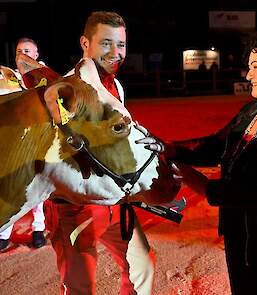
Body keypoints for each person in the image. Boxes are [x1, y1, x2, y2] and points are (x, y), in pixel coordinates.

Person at [137, 29, 257, 295]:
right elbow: (215, 145)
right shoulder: (252, 110)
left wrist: (207, 188)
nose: (248, 75)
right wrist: (171, 148)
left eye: (256, 67)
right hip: (240, 234)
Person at [44, 11, 155, 295]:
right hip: (74, 207)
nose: (116, 53)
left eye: (121, 44)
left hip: (114, 201)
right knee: (81, 288)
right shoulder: (68, 91)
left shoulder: (115, 86)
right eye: (106, 43)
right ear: (85, 43)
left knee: (142, 265)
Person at [0, 37, 46, 251]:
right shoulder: (7, 77)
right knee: (9, 185)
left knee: (36, 186)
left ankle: (38, 229)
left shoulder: (46, 76)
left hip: (37, 138)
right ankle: (4, 231)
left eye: (27, 50)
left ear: (36, 54)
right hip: (13, 141)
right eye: (19, 50)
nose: (23, 54)